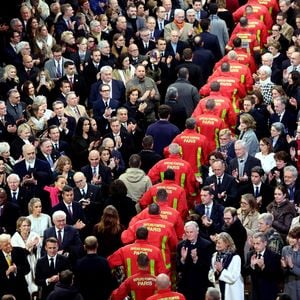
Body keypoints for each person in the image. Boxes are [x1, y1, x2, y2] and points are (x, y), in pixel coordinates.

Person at [177, 221, 213, 300]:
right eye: (187, 232)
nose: (189, 234)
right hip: (186, 284)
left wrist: (196, 260)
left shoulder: (207, 245)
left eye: (191, 232)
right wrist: (183, 259)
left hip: (200, 284)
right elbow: (178, 267)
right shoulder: (181, 246)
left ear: (197, 231)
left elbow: (207, 266)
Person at [74, 235, 116, 300]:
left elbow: (77, 281)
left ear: (84, 247)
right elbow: (109, 280)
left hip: (85, 296)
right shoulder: (104, 261)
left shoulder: (79, 263)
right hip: (101, 296)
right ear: (97, 245)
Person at [244, 232, 282, 300]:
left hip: (269, 293)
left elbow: (277, 276)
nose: (255, 246)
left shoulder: (274, 256)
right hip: (255, 293)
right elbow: (244, 272)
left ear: (265, 243)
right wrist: (251, 266)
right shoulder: (250, 254)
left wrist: (263, 267)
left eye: (258, 243)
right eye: (254, 243)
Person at [10, 216, 41, 296]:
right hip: (22, 263)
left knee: (35, 280)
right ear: (19, 227)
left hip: (34, 260)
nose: (26, 227)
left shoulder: (34, 235)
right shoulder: (14, 238)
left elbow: (38, 248)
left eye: (28, 225)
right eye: (24, 226)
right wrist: (27, 248)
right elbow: (17, 254)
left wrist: (33, 247)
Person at [208, 232, 244, 300]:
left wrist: (221, 271)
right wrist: (216, 274)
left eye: (219, 243)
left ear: (227, 244)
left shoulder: (235, 258)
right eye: (216, 242)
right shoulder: (215, 256)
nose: (217, 245)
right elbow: (211, 273)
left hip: (232, 292)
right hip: (219, 290)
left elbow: (233, 277)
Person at [0, 233, 31, 300]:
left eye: (9, 243)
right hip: (6, 293)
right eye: (6, 245)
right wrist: (7, 272)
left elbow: (27, 269)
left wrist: (16, 269)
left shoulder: (20, 251)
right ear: (0, 247)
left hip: (22, 290)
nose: (9, 246)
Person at [281, 226, 300, 300]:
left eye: (293, 238)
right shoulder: (285, 249)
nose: (290, 240)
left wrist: (292, 266)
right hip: (289, 286)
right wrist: (284, 267)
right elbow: (283, 273)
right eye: (290, 237)